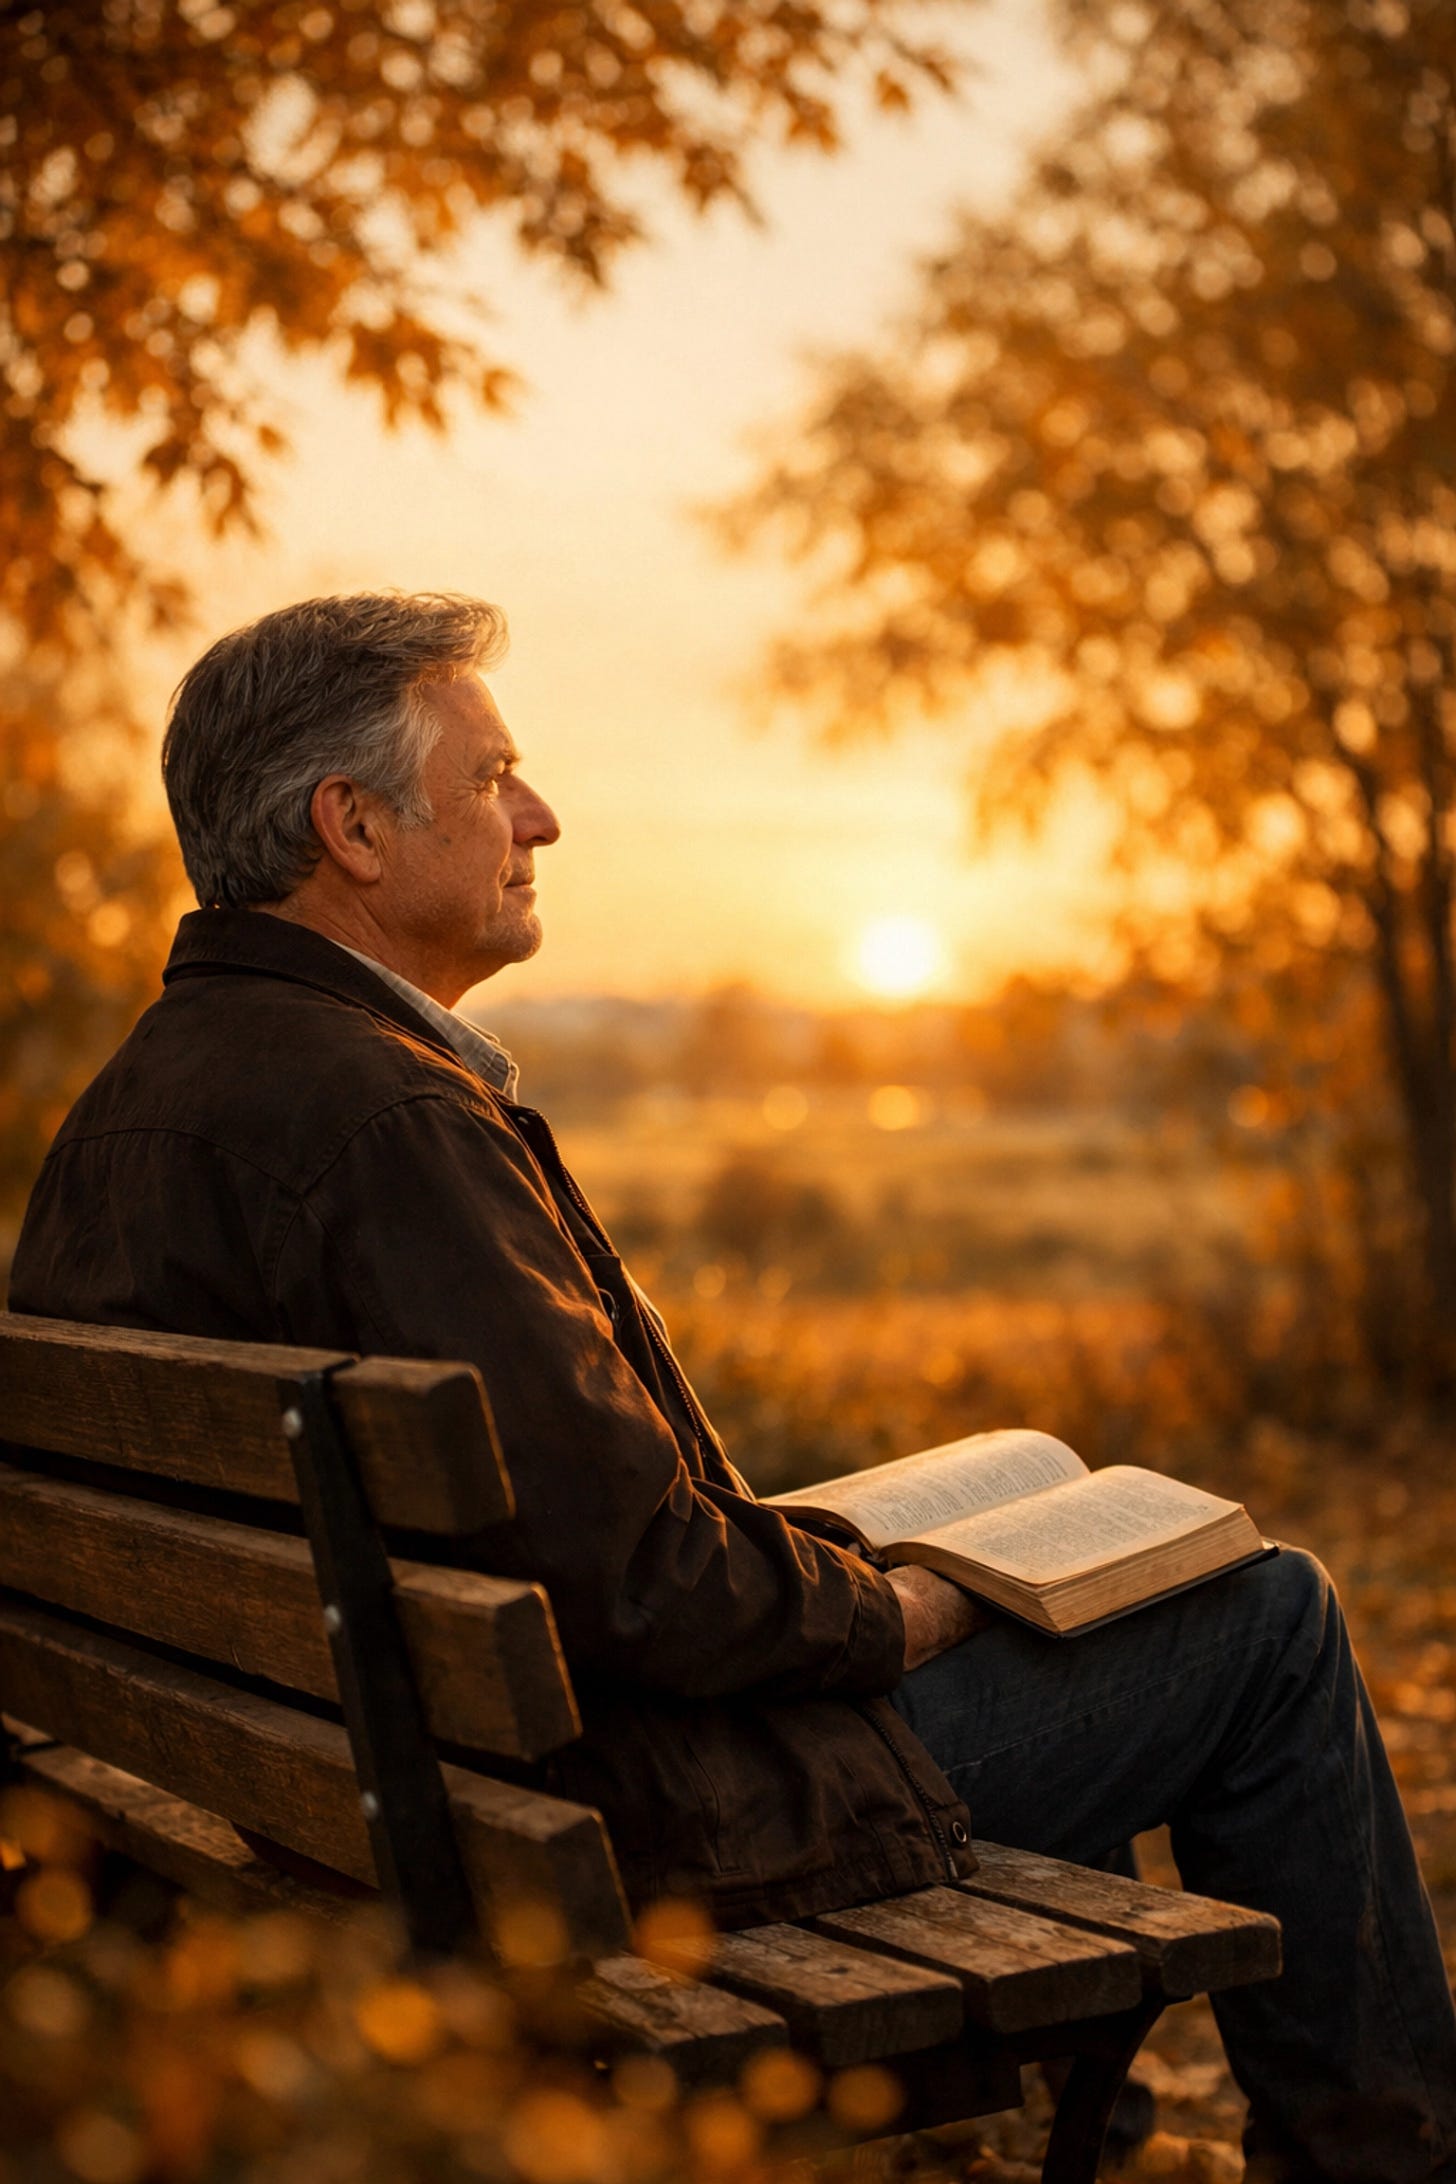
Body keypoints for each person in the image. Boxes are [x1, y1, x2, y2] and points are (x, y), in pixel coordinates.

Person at [10, 592, 1455, 2184]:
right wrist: (890, 1612)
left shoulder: (131, 1110)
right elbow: (650, 1583)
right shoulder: (387, 1123)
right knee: (1269, 1622)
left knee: (1026, 1486)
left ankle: (1079, 2140)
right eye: (493, 780)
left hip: (369, 1805)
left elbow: (565, 1541)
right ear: (349, 826)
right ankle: (1377, 2160)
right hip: (629, 1832)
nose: (541, 817)